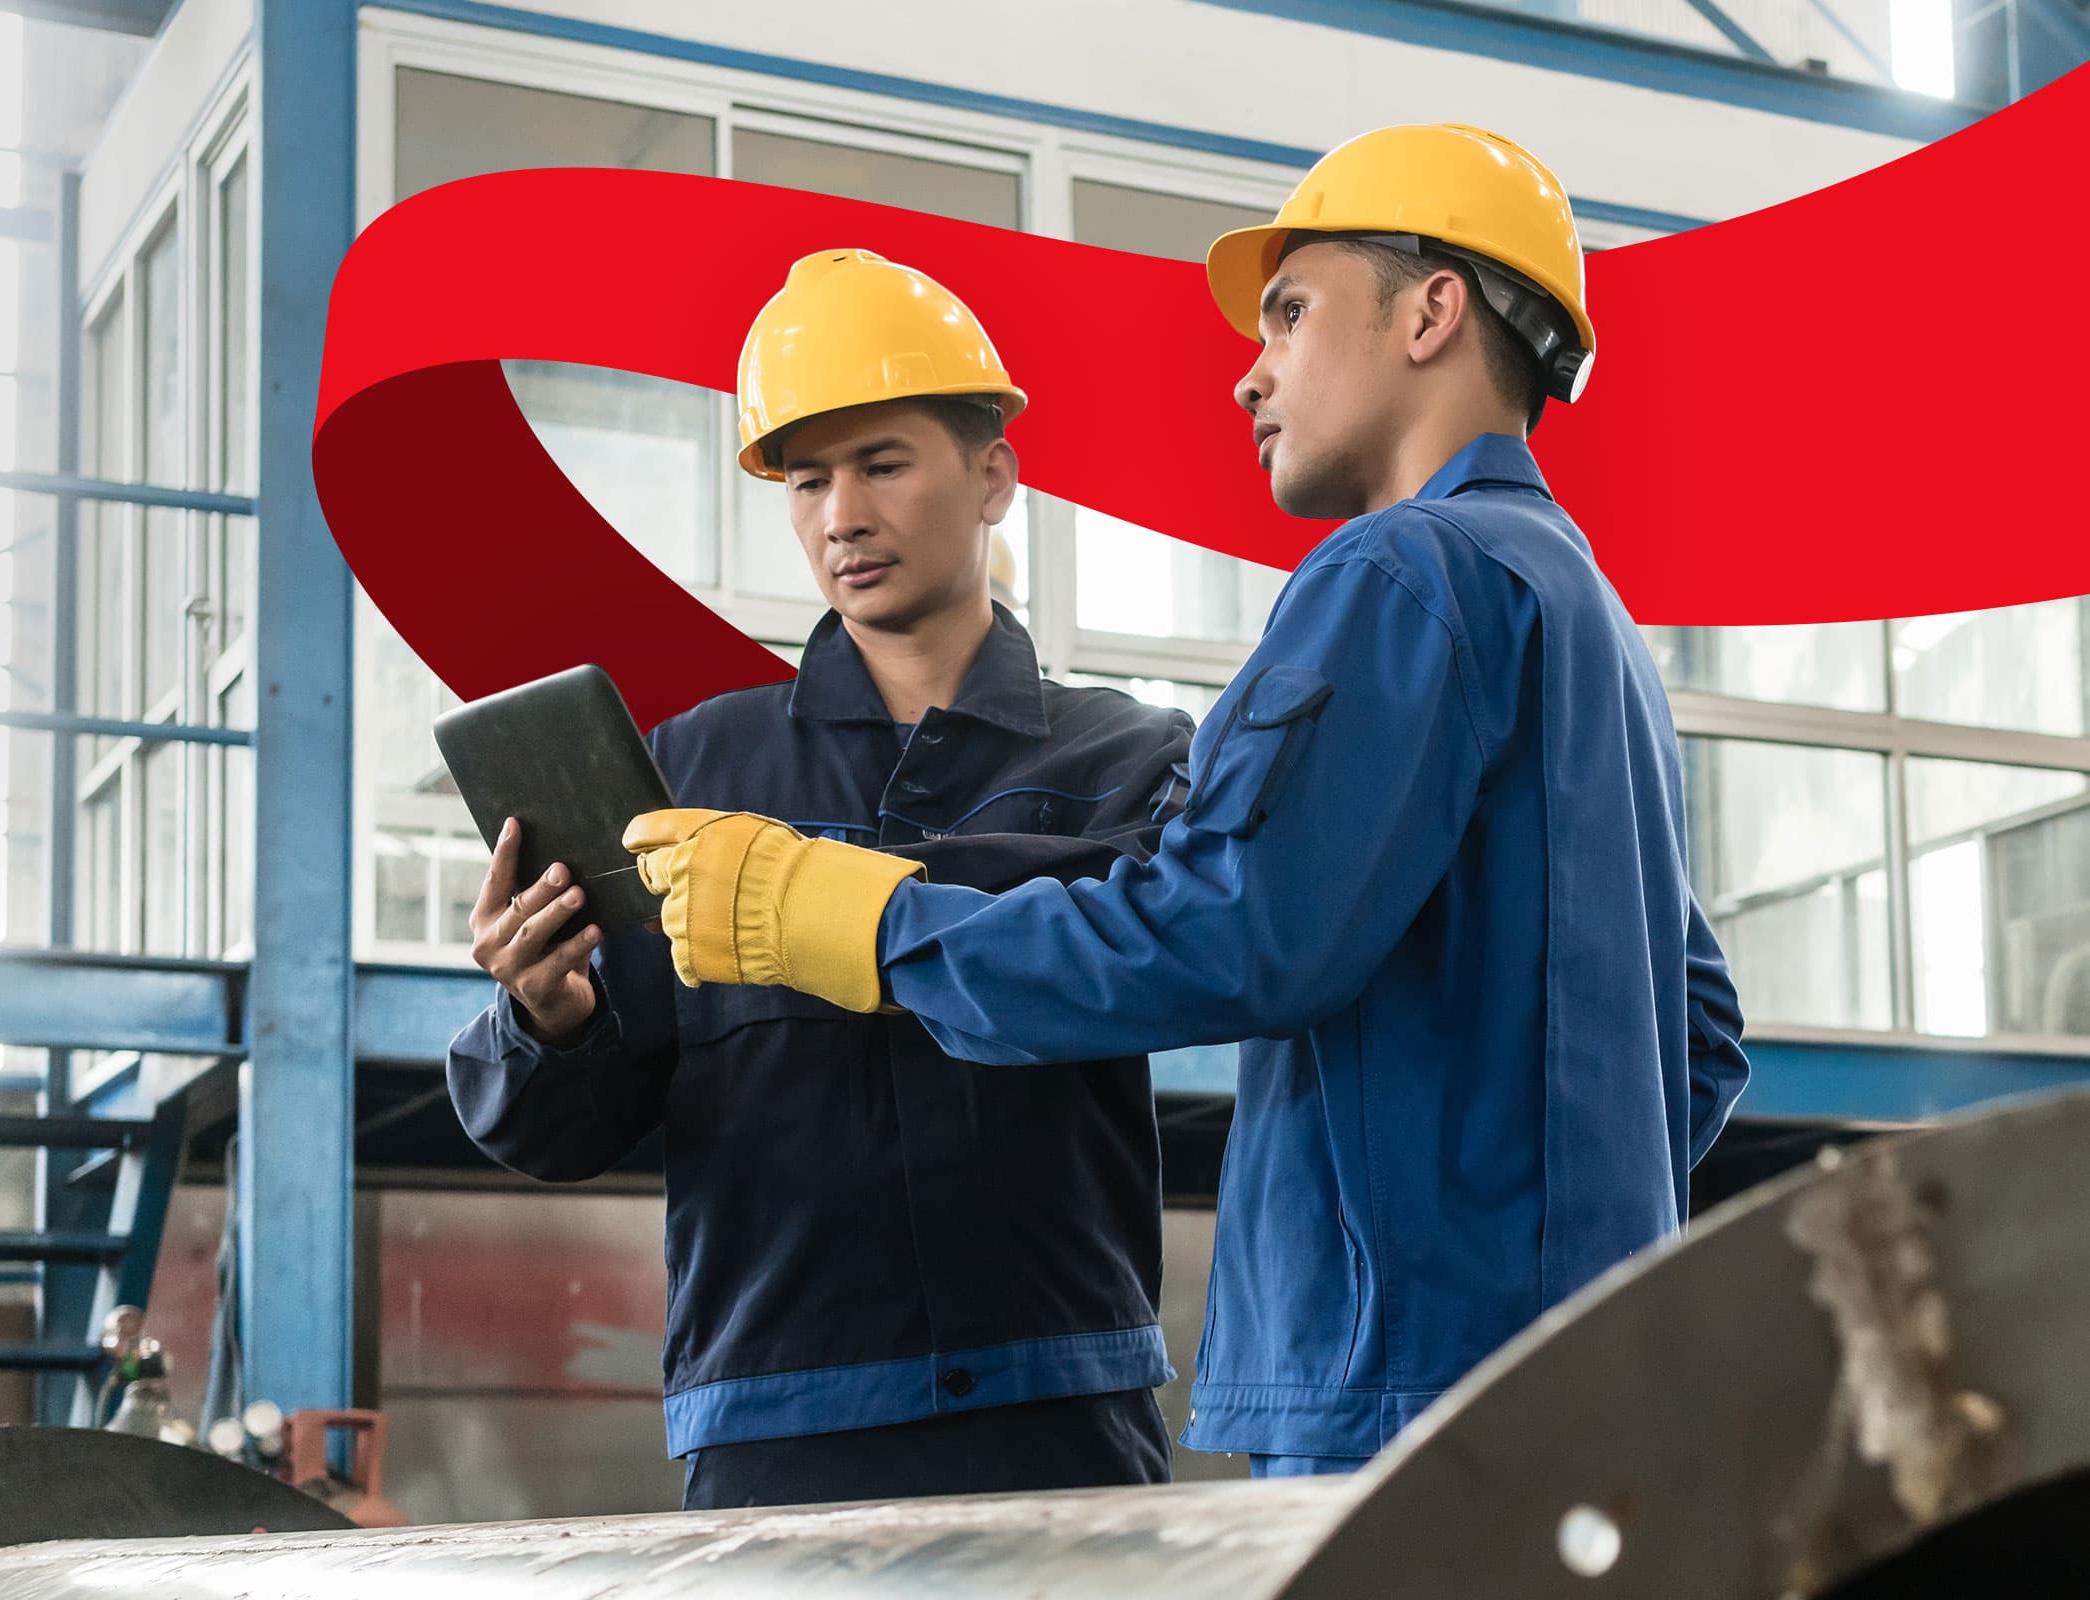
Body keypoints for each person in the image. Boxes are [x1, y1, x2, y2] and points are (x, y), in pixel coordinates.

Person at [624, 126, 1752, 1478]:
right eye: (806, 480)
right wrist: (1531, 1240)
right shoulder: (1584, 616)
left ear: (1433, 311)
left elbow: (1230, 931)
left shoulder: (1396, 576)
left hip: (1404, 1402)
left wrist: (861, 919)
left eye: (1289, 311)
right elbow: (1697, 1032)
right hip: (1579, 1382)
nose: (1249, 370)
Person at [449, 249, 1194, 1509]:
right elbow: (553, 1131)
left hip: (1054, 1410)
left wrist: (836, 887)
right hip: (779, 1427)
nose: (840, 515)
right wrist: (549, 1018)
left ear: (995, 476)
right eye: (806, 481)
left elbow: (1154, 974)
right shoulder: (687, 771)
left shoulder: (1124, 757)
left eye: (882, 463)